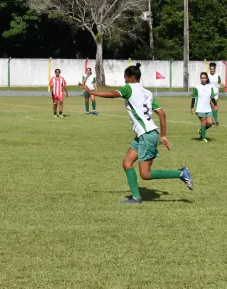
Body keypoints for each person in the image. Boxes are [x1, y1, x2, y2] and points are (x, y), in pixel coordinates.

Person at [78, 63, 193, 204]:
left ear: (132, 78)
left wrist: (91, 92)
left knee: (145, 174)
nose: (124, 81)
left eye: (125, 78)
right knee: (127, 163)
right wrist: (162, 135)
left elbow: (113, 94)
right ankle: (136, 197)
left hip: (146, 134)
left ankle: (181, 173)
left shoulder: (129, 88)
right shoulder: (148, 93)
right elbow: (162, 114)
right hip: (147, 133)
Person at [192, 72, 217, 142]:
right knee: (203, 122)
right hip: (199, 108)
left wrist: (215, 105)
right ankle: (203, 138)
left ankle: (201, 131)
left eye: (204, 78)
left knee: (210, 123)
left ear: (207, 79)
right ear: (200, 79)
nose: (203, 79)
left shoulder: (210, 87)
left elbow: (212, 97)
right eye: (201, 78)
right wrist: (192, 107)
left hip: (208, 108)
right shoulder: (196, 87)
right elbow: (193, 98)